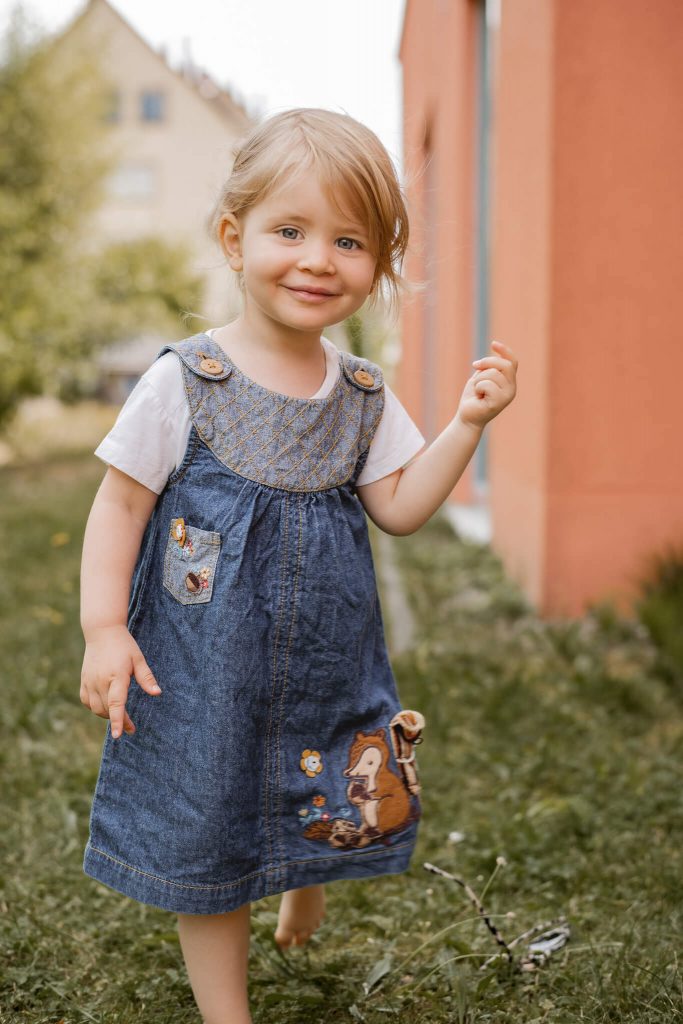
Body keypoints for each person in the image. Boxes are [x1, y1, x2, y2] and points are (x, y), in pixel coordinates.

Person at [79, 107, 517, 1024]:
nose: (319, 259)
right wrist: (104, 627)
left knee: (330, 782)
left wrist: (466, 425)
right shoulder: (184, 380)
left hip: (323, 660)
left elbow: (397, 507)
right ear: (235, 240)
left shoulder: (359, 394)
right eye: (290, 231)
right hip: (206, 668)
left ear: (378, 265)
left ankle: (302, 877)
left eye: (349, 241)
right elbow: (121, 503)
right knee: (211, 825)